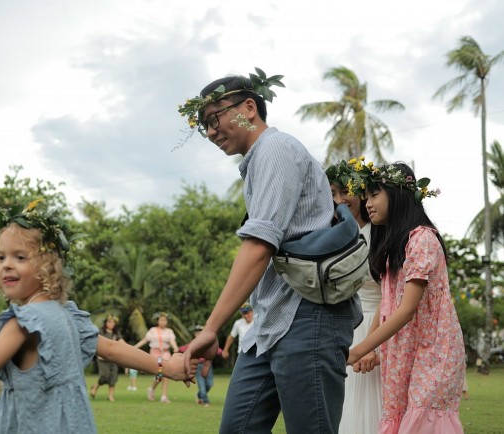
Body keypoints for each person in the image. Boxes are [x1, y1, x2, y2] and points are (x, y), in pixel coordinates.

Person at [0, 200, 196, 434]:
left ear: (48, 266)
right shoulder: (66, 315)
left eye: (20, 257)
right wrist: (166, 367)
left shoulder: (24, 322)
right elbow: (110, 349)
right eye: (1, 257)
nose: (6, 264)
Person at [179, 69, 361, 433]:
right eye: (204, 126)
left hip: (308, 316)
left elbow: (259, 247)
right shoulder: (258, 162)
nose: (211, 131)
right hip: (269, 322)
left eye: (215, 118)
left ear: (249, 107)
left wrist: (211, 327)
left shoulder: (276, 149)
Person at [345, 161, 465, 433]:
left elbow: (406, 310)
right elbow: (388, 304)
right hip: (401, 351)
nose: (367, 204)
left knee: (421, 422)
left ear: (397, 194)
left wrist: (356, 351)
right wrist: (371, 346)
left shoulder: (422, 239)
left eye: (374, 195)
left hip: (432, 352)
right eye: (366, 197)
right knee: (397, 418)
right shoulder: (394, 247)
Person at [326, 160, 382, 434]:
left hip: (375, 328)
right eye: (332, 193)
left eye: (344, 191)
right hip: (339, 332)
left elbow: (390, 295)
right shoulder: (331, 237)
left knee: (370, 410)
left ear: (360, 192)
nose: (338, 200)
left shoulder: (380, 235)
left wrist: (372, 346)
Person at [134, 312, 179, 403]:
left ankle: (164, 396)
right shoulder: (153, 330)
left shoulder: (169, 331)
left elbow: (172, 341)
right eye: (161, 320)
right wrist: (134, 347)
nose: (163, 322)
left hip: (165, 354)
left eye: (165, 320)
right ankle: (152, 388)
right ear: (158, 321)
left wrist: (175, 348)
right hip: (155, 354)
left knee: (165, 374)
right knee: (159, 375)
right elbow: (145, 340)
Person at [90, 315, 125, 402]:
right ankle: (95, 386)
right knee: (104, 376)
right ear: (106, 323)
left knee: (113, 377)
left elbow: (121, 341)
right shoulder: (101, 332)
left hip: (113, 358)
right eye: (109, 322)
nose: (111, 324)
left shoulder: (116, 333)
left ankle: (110, 396)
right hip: (102, 358)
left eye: (113, 322)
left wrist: (130, 348)